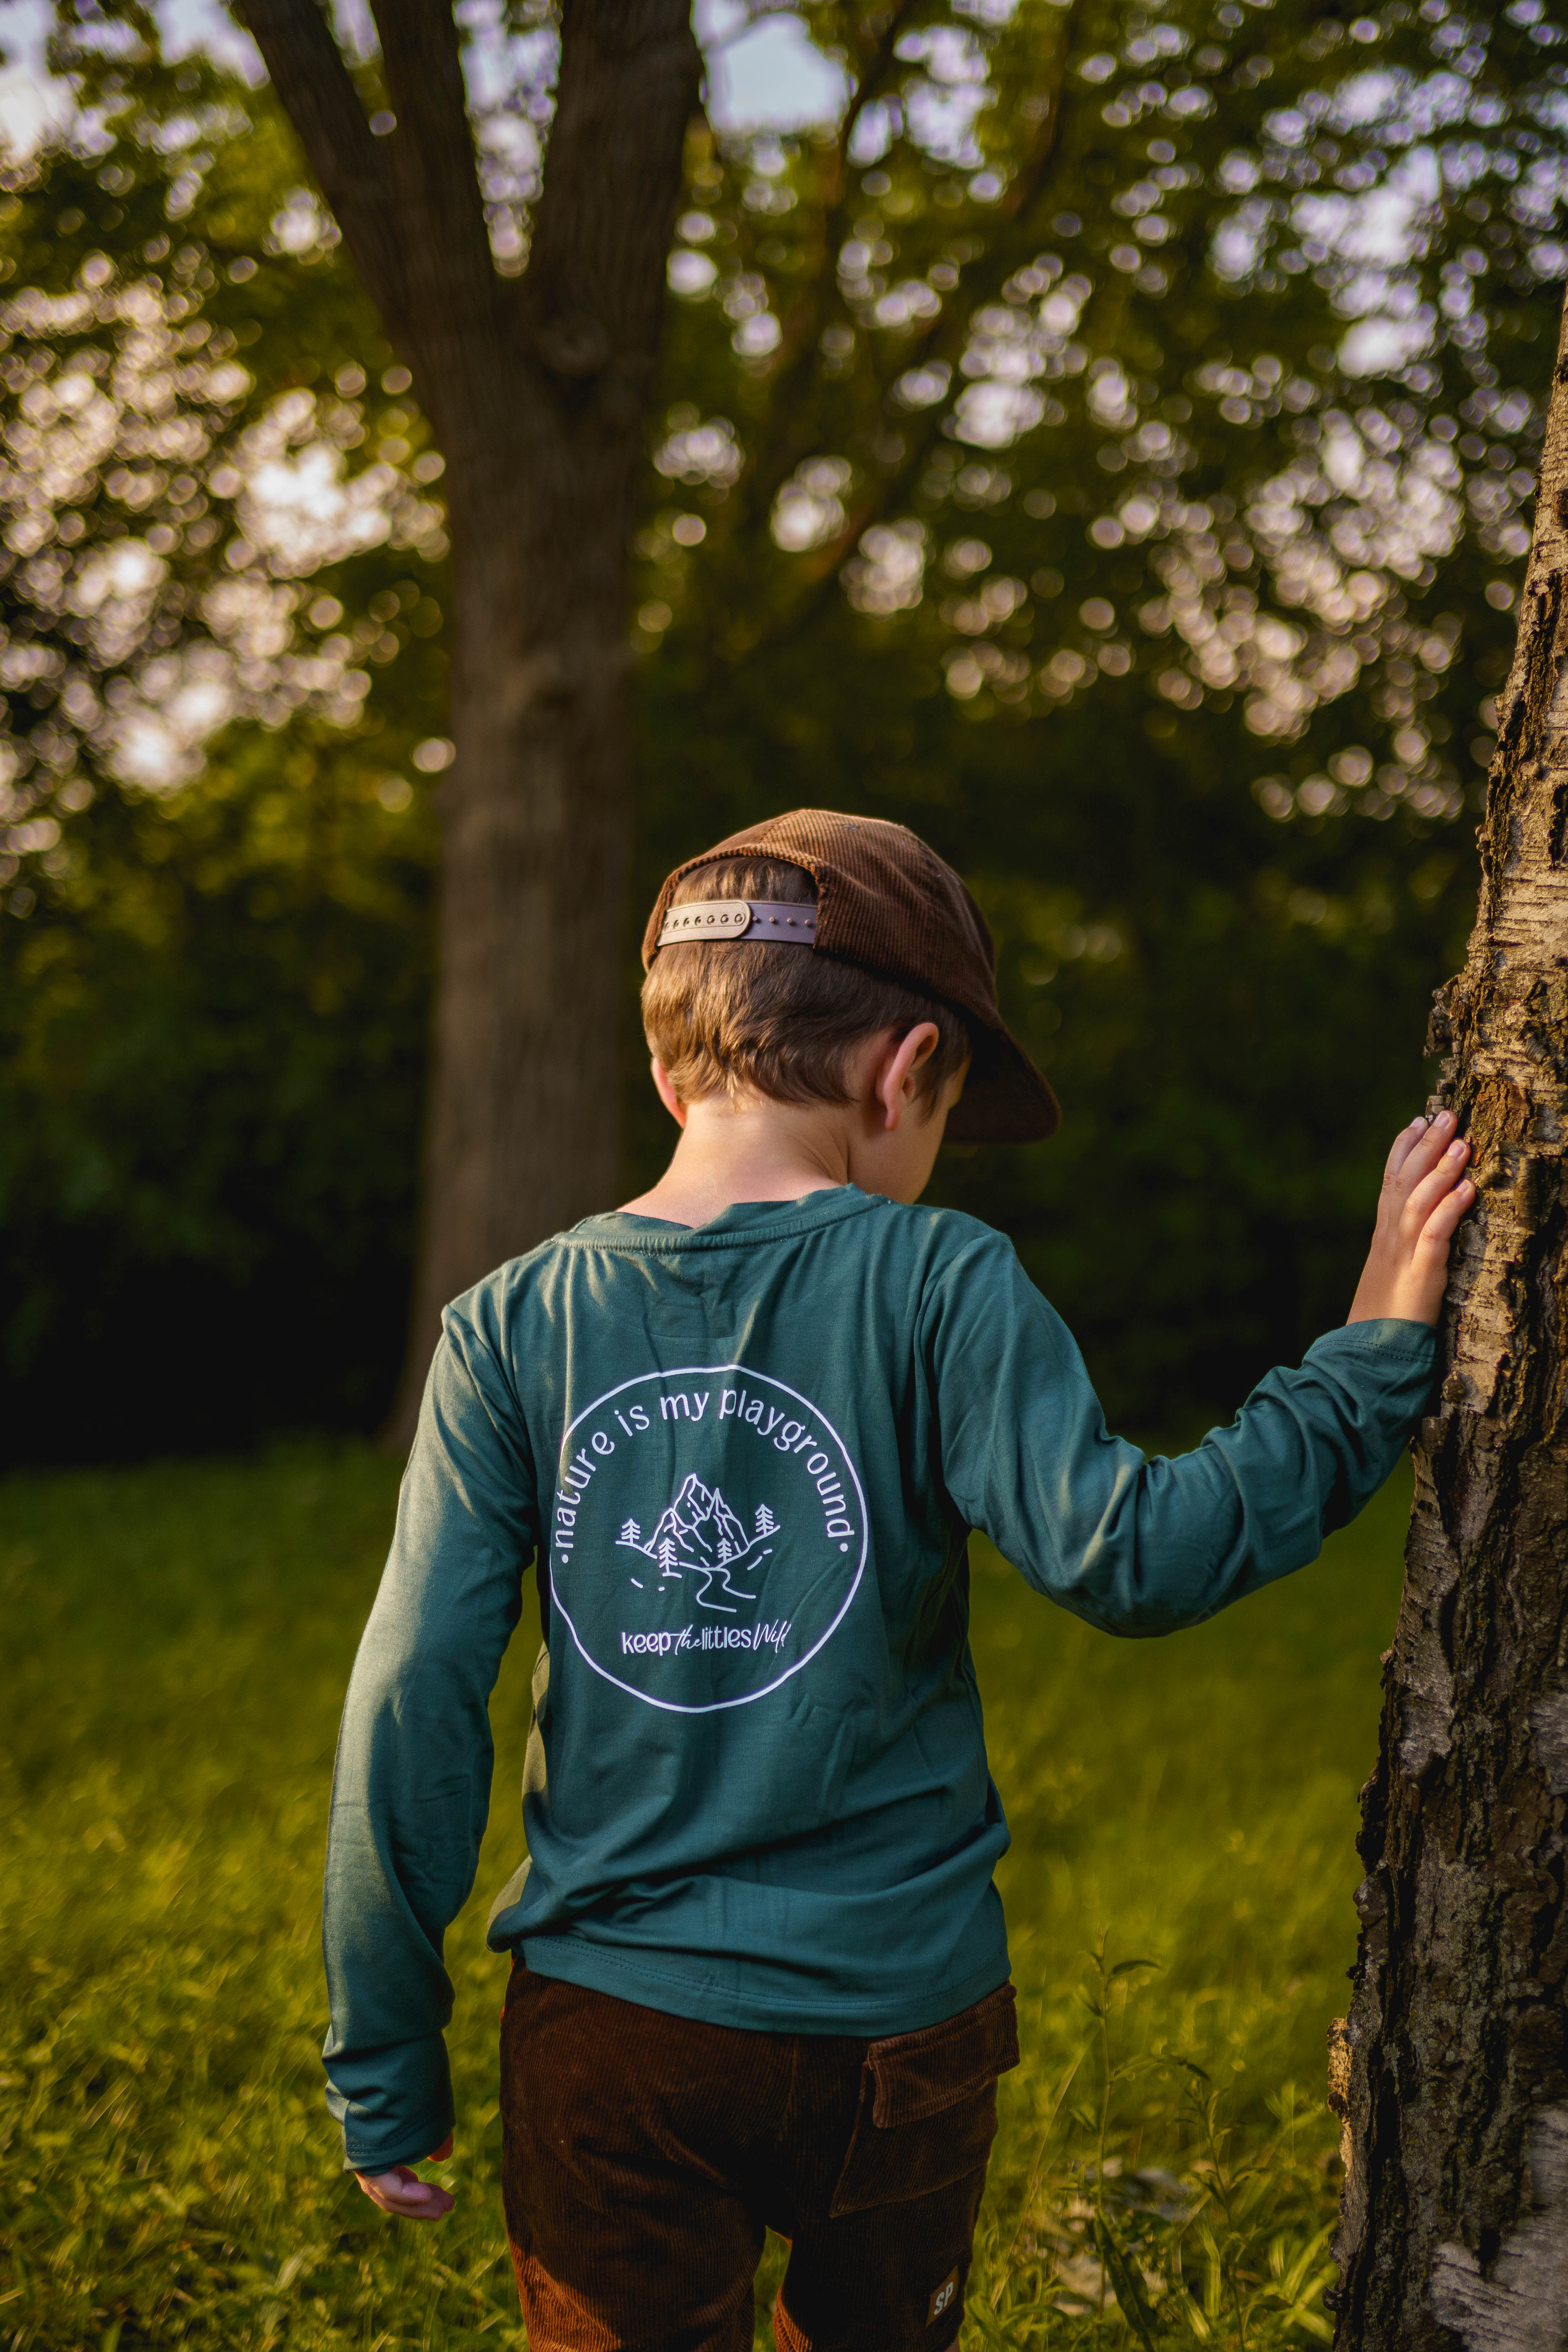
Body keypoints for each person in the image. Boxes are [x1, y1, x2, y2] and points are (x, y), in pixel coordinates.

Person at [321, 809, 1473, 2352]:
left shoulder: (509, 1324)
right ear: (905, 1066)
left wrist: (388, 2050)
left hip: (615, 2036)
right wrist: (1369, 1362)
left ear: (670, 1070)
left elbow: (412, 1696)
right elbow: (1139, 1555)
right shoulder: (943, 1280)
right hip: (900, 2025)